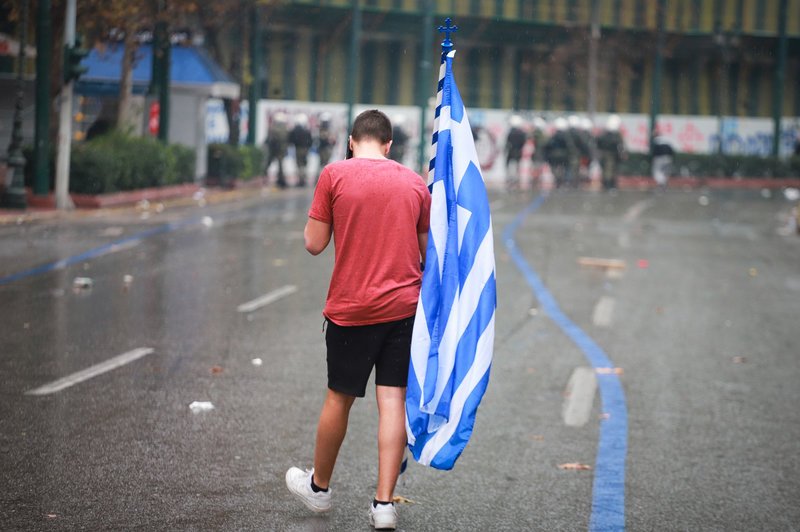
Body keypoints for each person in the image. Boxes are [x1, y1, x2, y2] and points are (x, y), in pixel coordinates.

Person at [285, 109, 431, 531]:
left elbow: (314, 244)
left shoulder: (335, 175)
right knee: (393, 402)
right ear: (388, 145)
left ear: (352, 141)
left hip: (351, 309)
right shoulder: (414, 183)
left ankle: (319, 489)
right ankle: (384, 504)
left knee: (339, 397)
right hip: (403, 308)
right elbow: (428, 252)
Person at [544, 117, 577, 187]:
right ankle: (566, 181)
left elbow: (548, 145)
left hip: (555, 155)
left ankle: (558, 180)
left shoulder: (554, 136)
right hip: (564, 155)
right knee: (567, 168)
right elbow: (570, 146)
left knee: (556, 169)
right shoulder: (566, 136)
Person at [596, 114, 626, 190]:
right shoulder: (616, 135)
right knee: (610, 170)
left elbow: (598, 143)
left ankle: (607, 184)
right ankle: (609, 184)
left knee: (607, 170)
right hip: (611, 155)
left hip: (606, 154)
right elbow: (620, 145)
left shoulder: (604, 134)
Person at [265, 112, 289, 188]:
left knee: (268, 163)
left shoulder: (272, 128)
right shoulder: (285, 129)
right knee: (280, 166)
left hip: (274, 149)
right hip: (280, 150)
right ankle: (281, 180)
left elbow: (269, 139)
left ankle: (263, 177)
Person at [289, 114, 314, 187]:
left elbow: (291, 140)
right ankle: (302, 180)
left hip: (298, 149)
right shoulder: (306, 131)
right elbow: (310, 141)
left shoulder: (295, 130)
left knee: (299, 164)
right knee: (303, 164)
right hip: (305, 149)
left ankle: (301, 180)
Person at [505, 115, 526, 189]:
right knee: (516, 167)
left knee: (510, 167)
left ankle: (511, 180)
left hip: (511, 152)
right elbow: (523, 143)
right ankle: (515, 180)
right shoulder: (521, 133)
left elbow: (507, 143)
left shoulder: (511, 133)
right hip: (517, 152)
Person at [316, 112, 337, 176]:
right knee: (323, 164)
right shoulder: (322, 129)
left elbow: (333, 141)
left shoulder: (327, 129)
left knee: (324, 164)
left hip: (326, 148)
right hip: (324, 148)